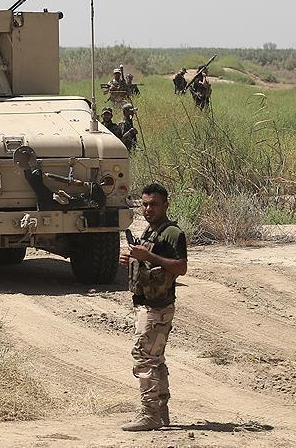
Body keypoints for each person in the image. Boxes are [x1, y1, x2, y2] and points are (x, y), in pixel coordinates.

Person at [119, 183, 188, 431]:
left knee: (144, 358)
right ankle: (160, 411)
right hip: (147, 303)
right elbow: (149, 265)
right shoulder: (151, 231)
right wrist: (131, 260)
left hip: (157, 307)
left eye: (154, 204)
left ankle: (150, 414)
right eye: (145, 204)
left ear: (166, 205)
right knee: (155, 359)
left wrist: (148, 257)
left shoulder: (172, 233)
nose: (148, 209)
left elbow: (181, 267)